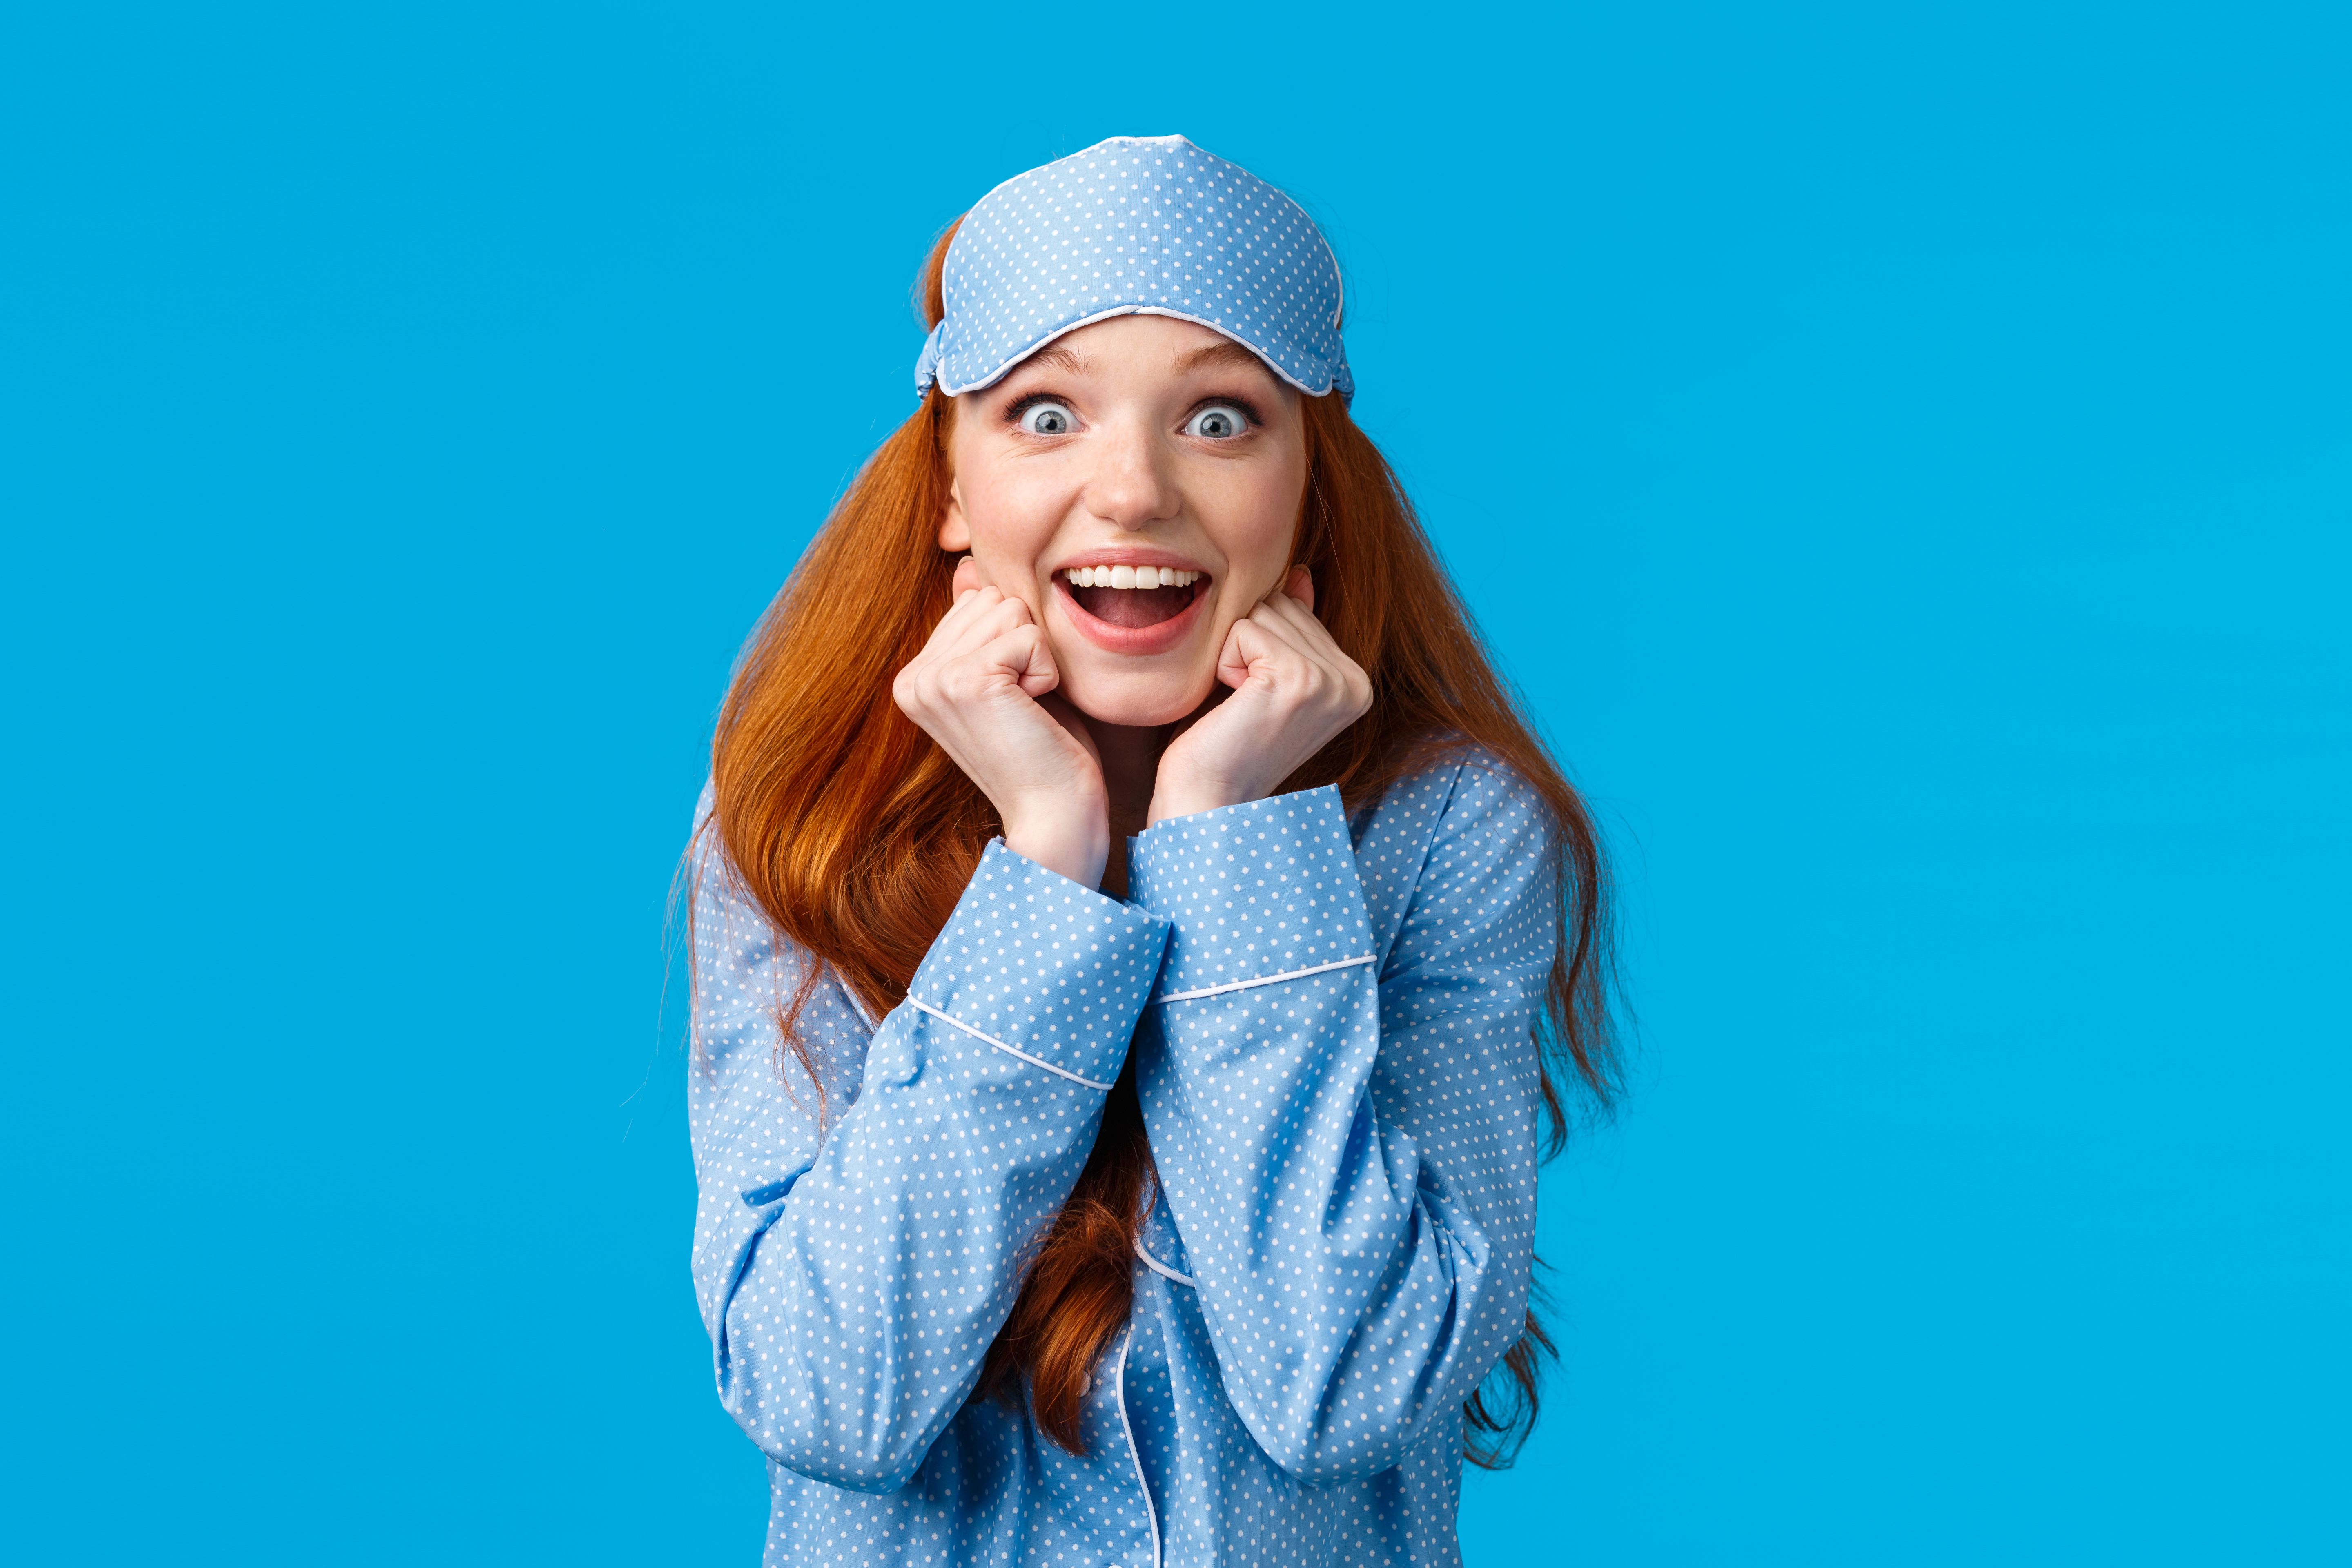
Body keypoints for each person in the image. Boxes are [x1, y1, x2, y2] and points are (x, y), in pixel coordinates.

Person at [687, 134, 1616, 1568]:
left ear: (1310, 483)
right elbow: (827, 1397)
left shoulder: (1450, 833)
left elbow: (1349, 1387)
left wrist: (1231, 842)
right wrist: (1046, 871)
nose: (1131, 493)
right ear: (949, 486)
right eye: (1046, 415)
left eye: (1222, 420)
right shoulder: (800, 818)